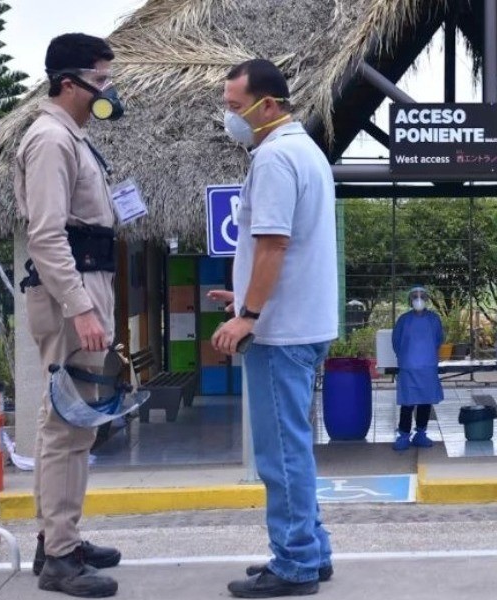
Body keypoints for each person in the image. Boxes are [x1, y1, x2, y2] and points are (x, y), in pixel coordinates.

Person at [208, 58, 337, 598]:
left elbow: (274, 243)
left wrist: (248, 316)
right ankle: (312, 550)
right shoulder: (303, 151)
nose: (229, 117)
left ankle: (297, 562)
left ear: (267, 105)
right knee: (293, 447)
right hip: (298, 322)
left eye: (235, 107)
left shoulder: (276, 157)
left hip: (279, 332)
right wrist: (241, 297)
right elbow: (283, 247)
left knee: (281, 452)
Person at [18, 33, 124, 598]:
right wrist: (80, 307)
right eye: (101, 81)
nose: (107, 91)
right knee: (65, 425)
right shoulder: (50, 139)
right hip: (69, 293)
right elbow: (45, 234)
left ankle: (58, 537)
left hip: (85, 287)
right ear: (69, 82)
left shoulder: (74, 138)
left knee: (76, 423)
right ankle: (59, 556)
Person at [390, 286, 444, 451]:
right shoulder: (403, 320)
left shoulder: (434, 319)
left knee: (425, 402)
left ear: (427, 299)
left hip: (427, 366)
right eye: (415, 296)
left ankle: (421, 433)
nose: (418, 299)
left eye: (421, 296)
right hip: (408, 367)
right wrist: (406, 357)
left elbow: (438, 340)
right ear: (410, 300)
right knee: (407, 403)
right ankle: (404, 435)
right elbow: (396, 342)